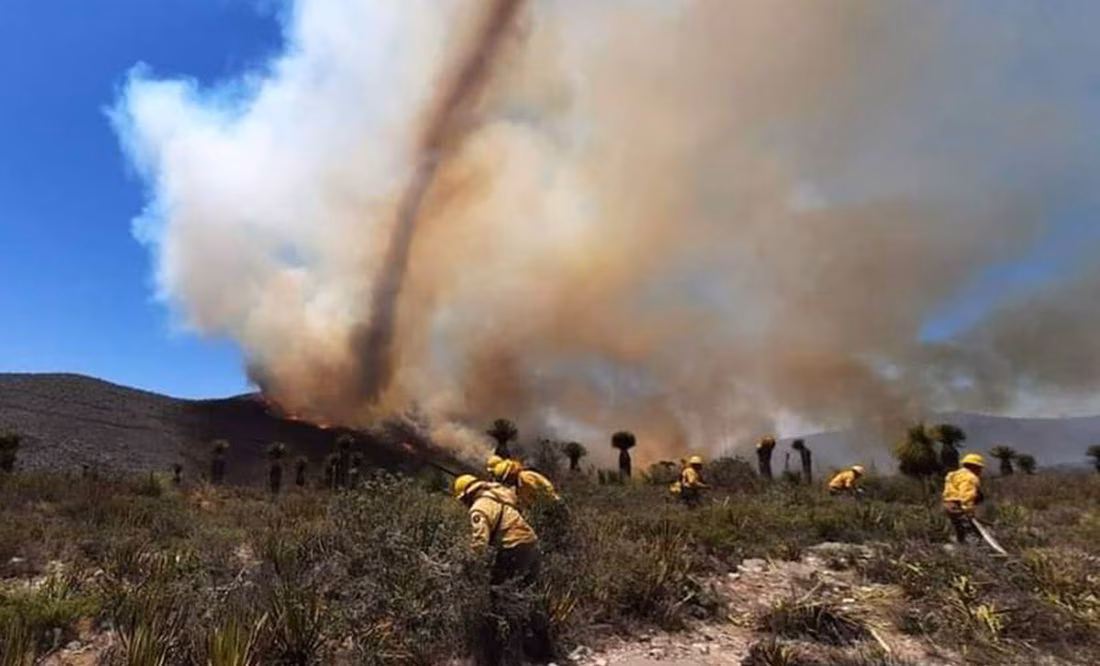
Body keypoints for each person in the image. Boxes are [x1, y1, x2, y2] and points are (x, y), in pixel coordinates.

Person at [452, 474, 548, 664]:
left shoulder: (479, 507)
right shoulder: (500, 494)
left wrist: (470, 565)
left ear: (467, 495)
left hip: (513, 549)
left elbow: (480, 542)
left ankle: (511, 657)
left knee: (505, 602)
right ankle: (545, 651)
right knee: (531, 598)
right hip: (531, 545)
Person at [942, 453, 986, 544]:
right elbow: (967, 495)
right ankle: (973, 548)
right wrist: (968, 510)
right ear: (974, 466)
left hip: (947, 504)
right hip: (958, 505)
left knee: (958, 528)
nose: (980, 470)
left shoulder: (952, 475)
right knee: (969, 529)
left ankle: (960, 545)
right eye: (979, 468)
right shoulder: (970, 477)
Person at [490, 459, 561, 510]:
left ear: (511, 474)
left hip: (552, 507)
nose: (507, 482)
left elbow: (541, 496)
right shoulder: (519, 486)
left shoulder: (525, 478)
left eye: (506, 479)